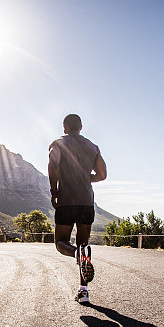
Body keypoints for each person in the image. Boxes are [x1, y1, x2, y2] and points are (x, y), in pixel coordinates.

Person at [48, 114, 107, 303]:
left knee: (61, 242)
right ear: (81, 126)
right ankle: (83, 292)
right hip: (86, 202)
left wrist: (54, 191)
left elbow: (53, 167)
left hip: (66, 200)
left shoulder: (58, 143)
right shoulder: (93, 147)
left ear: (64, 127)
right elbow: (102, 174)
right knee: (84, 245)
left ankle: (75, 254)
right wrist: (85, 177)